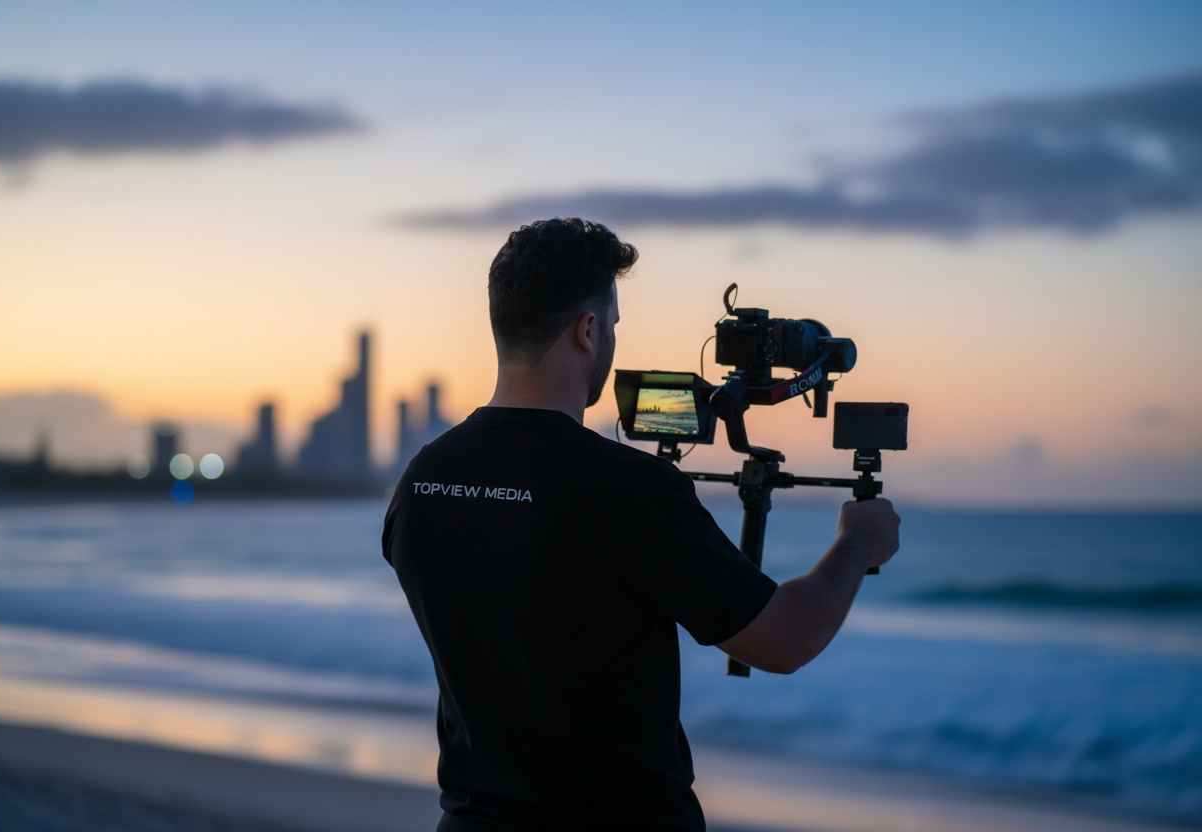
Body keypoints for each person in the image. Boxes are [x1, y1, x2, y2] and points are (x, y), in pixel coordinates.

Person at [382, 217, 900, 831]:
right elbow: (783, 640)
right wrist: (856, 542)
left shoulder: (423, 478)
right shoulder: (624, 486)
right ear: (588, 330)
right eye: (614, 327)